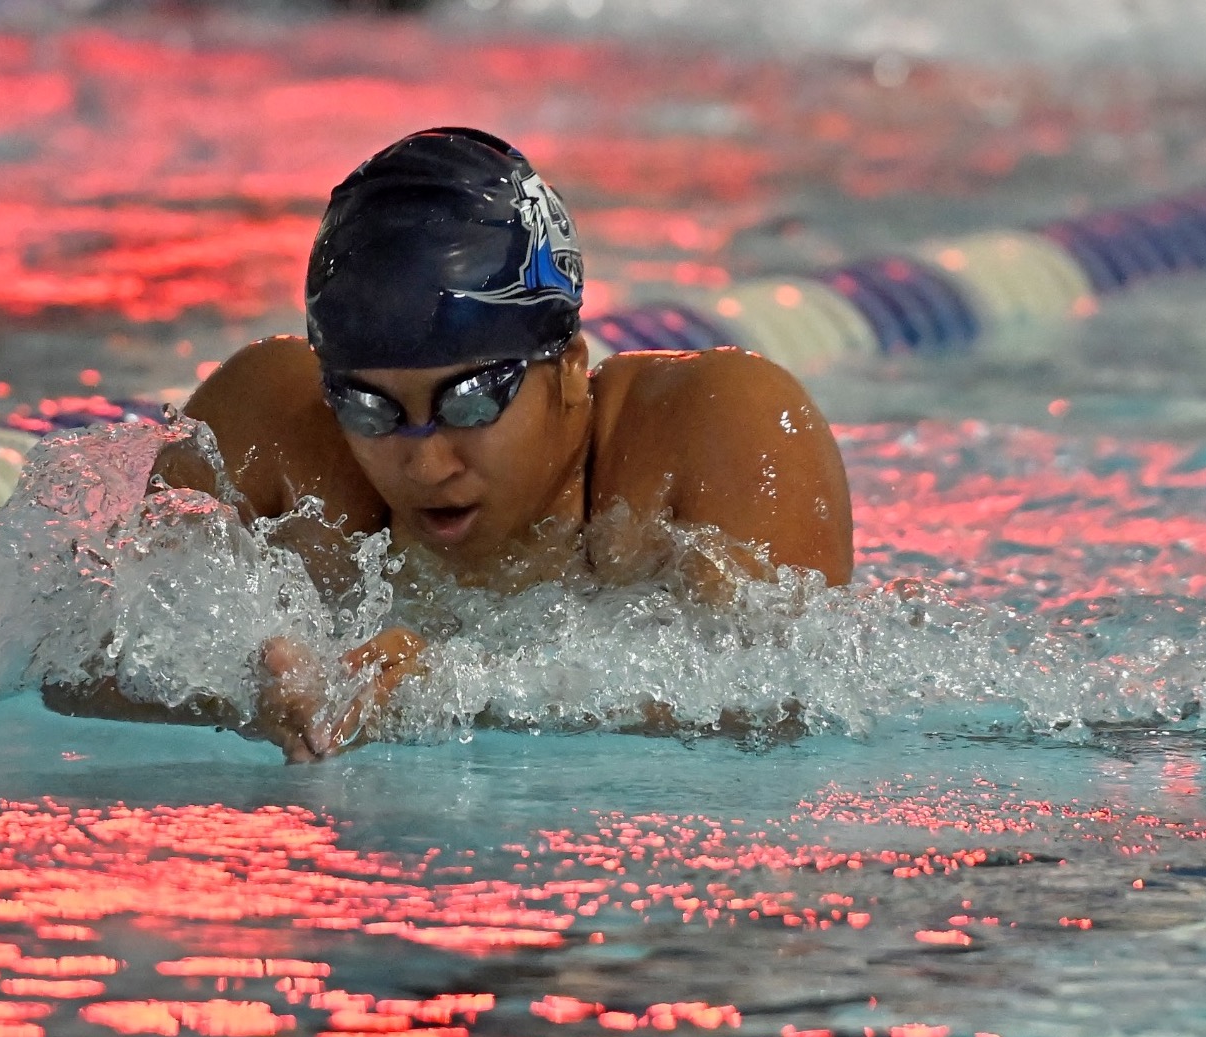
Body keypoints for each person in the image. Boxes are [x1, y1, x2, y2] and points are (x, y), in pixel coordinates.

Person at [71, 126, 853, 761]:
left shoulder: (711, 429)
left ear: (571, 369)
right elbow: (82, 665)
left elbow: (791, 704)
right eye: (370, 410)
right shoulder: (272, 430)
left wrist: (459, 689)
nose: (423, 462)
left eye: (472, 401)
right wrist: (243, 694)